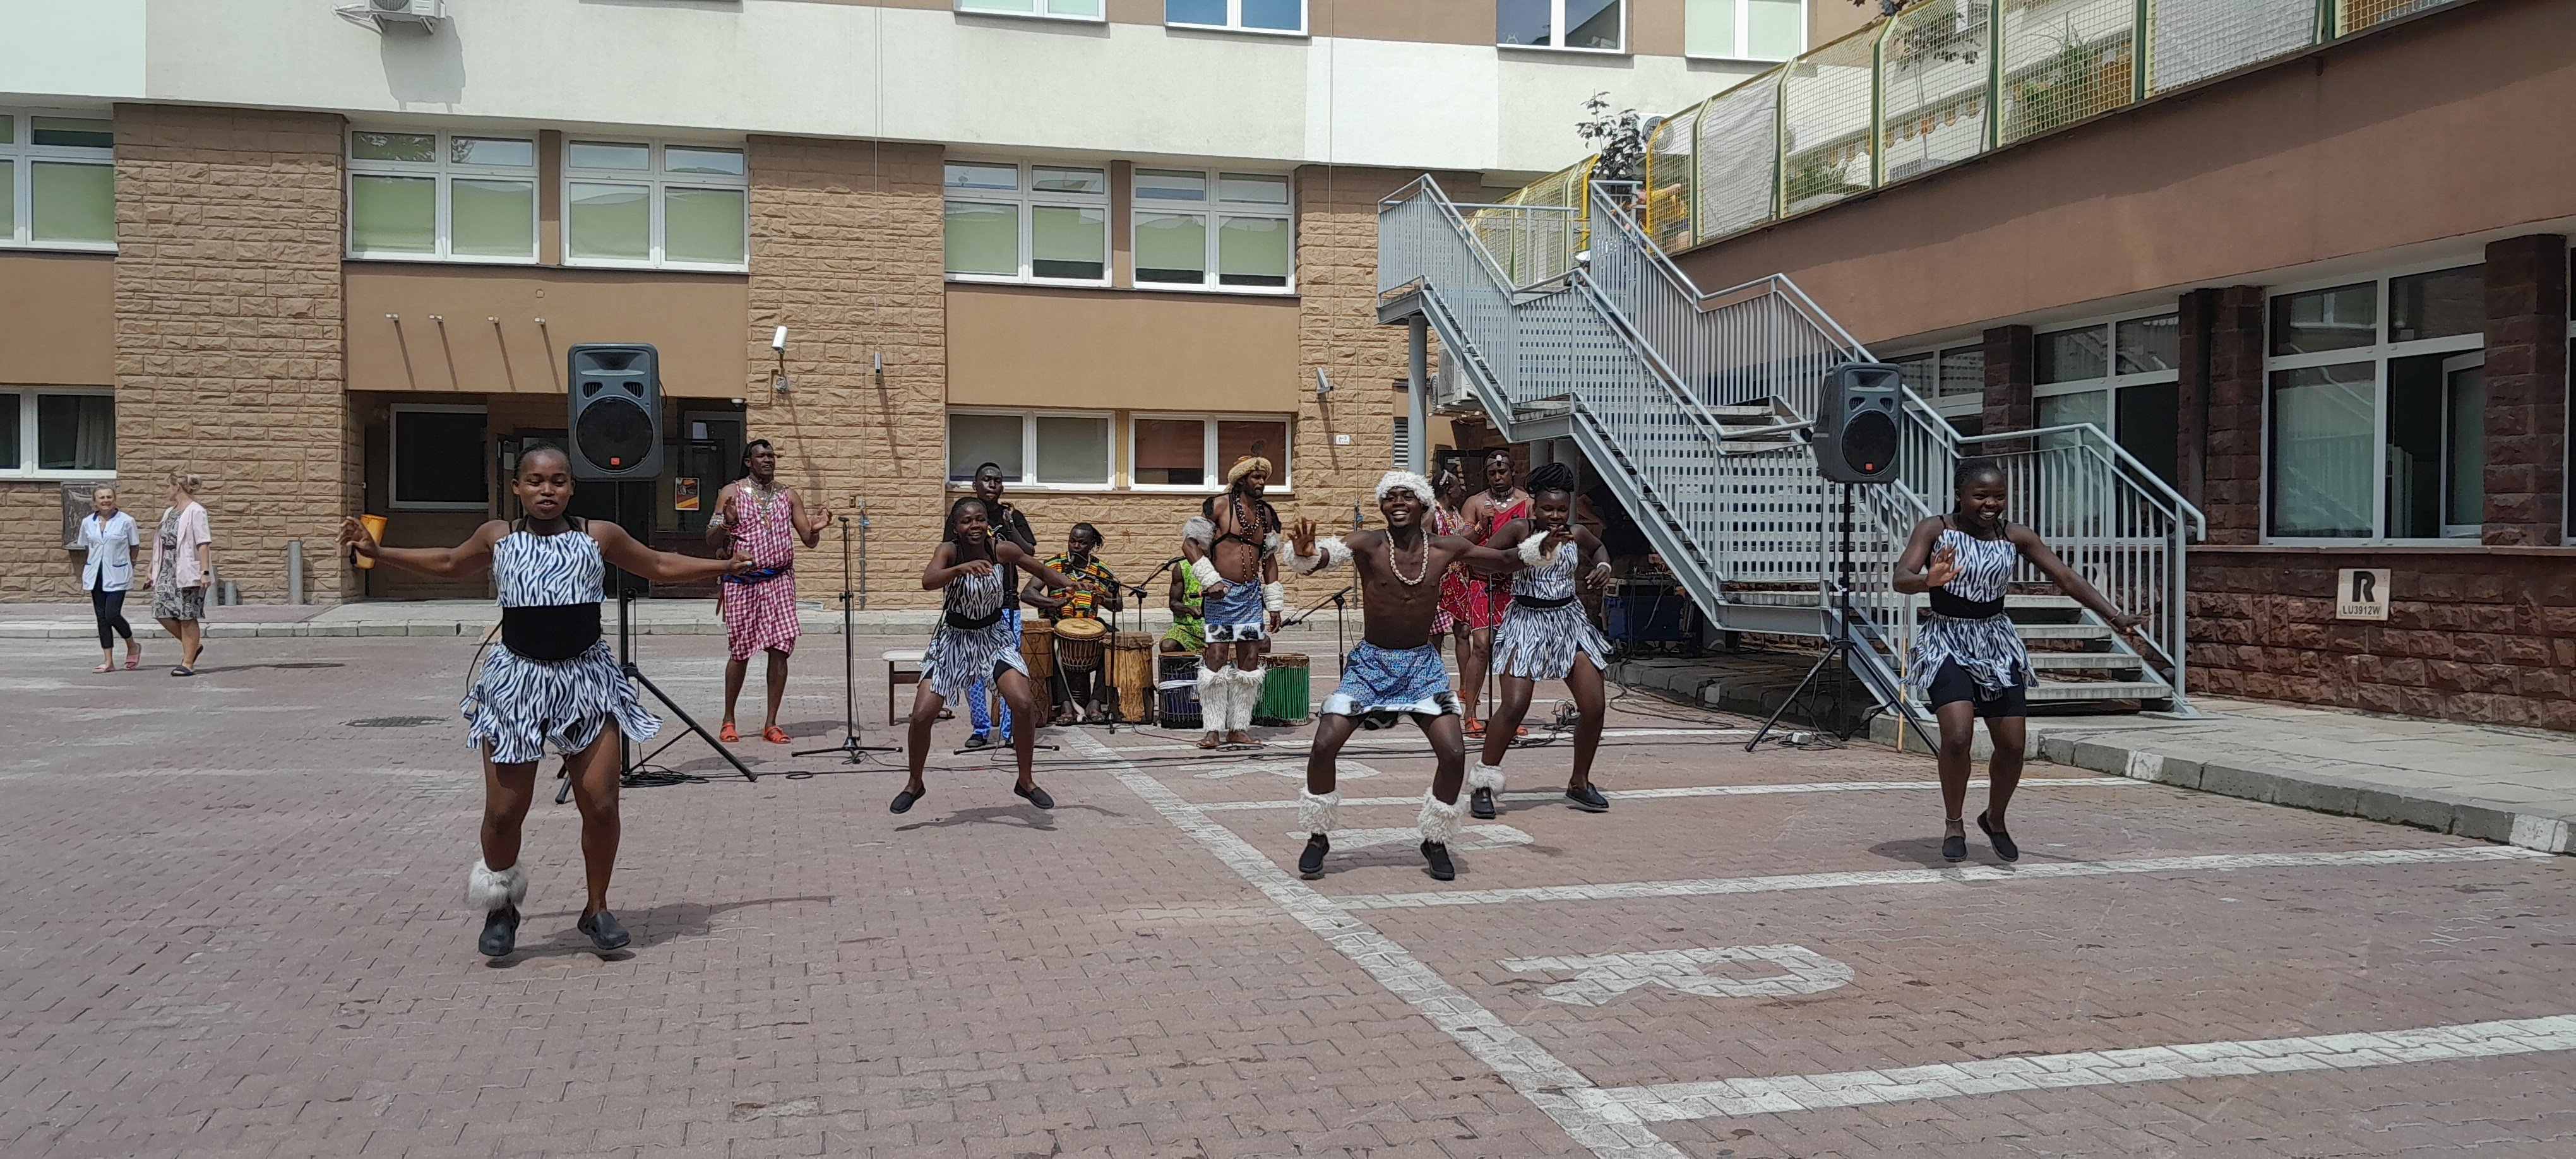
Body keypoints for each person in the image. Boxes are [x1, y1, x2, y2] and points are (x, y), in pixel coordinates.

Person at [340, 445, 751, 957]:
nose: (547, 490)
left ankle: (596, 909)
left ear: (572, 487)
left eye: (558, 481)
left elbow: (659, 564)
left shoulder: (598, 535)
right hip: (518, 683)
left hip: (587, 681)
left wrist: (725, 566)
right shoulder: (498, 536)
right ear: (517, 487)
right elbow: (449, 562)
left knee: (601, 804)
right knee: (503, 814)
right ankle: (501, 906)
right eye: (535, 481)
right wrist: (380, 554)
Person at [1893, 458, 2145, 864]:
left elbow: (2066, 577)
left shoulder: (2016, 535)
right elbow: (1900, 577)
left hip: (1995, 643)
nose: (1991, 504)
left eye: (1999, 496)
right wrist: (1927, 580)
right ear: (1959, 495)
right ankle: (1954, 823)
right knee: (1957, 737)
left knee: (2012, 746)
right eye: (1980, 496)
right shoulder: (1935, 529)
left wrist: (2115, 616)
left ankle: (1994, 818)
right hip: (1946, 640)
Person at [1280, 472, 1526, 882]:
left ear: (1423, 504)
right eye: (1390, 497)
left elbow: (1502, 560)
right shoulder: (1370, 543)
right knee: (1323, 745)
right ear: (1381, 506)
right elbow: (1327, 554)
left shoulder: (1446, 547)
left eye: (1407, 496)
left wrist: (1541, 548)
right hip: (1371, 667)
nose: (1398, 503)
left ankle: (1435, 839)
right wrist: (1307, 555)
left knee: (1453, 754)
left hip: (1422, 668)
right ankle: (1318, 836)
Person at [894, 496, 1075, 815]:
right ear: (956, 526)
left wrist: (1071, 583)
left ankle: (1025, 781)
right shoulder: (948, 551)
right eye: (966, 521)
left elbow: (1040, 569)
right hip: (954, 640)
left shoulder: (1001, 550)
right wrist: (960, 568)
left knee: (1023, 703)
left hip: (994, 637)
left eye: (980, 519)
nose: (975, 525)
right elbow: (928, 581)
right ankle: (915, 783)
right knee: (922, 715)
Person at [1470, 463, 1616, 818]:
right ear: (1534, 507)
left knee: (1595, 706)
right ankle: (1483, 783)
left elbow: (1599, 548)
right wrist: (1535, 550)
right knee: (1514, 706)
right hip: (1527, 620)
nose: (1555, 516)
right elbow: (1485, 562)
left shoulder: (1576, 533)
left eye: (1562, 509)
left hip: (1569, 621)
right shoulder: (1519, 529)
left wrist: (1603, 568)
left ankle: (1579, 782)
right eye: (1548, 509)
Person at [706, 439, 830, 745]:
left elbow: (808, 540)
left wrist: (815, 529)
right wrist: (726, 525)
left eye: (771, 456)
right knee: (741, 652)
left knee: (780, 649)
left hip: (780, 582)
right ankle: (728, 720)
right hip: (743, 584)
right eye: (761, 456)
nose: (768, 460)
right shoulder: (731, 492)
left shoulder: (788, 495)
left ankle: (771, 723)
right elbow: (710, 540)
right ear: (748, 462)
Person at [1179, 453, 1283, 749]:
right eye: (1256, 477)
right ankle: (1212, 729)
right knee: (1216, 658)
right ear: (1241, 479)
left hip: (1250, 598)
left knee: (1250, 661)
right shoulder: (1220, 506)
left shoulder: (1266, 514)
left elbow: (1269, 560)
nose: (1262, 482)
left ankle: (1238, 728)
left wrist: (1275, 604)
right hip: (1222, 597)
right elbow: (1190, 544)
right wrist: (1210, 580)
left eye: (1264, 478)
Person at [962, 462, 1039, 749]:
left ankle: (1009, 731)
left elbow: (1029, 551)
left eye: (997, 480)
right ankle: (980, 728)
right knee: (973, 670)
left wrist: (1010, 527)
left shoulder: (1012, 515)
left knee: (1009, 667)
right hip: (971, 605)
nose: (992, 485)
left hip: (1006, 603)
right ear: (976, 486)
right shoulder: (964, 514)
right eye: (986, 480)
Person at [1455, 449, 1529, 735]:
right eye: (1492, 473)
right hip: (1481, 581)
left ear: (1513, 472)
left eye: (1502, 472)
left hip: (1513, 584)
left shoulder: (1527, 503)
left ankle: (1510, 716)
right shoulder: (1475, 503)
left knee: (1511, 648)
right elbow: (1462, 542)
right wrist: (1480, 525)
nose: (1497, 477)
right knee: (1482, 645)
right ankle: (1470, 714)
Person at [1025, 522, 1122, 723]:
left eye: (1082, 543)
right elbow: (1027, 593)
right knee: (1050, 644)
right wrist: (1054, 603)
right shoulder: (1053, 565)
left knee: (1113, 641)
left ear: (1092, 545)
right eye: (1072, 541)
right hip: (1058, 623)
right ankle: (1065, 705)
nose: (1076, 546)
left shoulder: (1100, 570)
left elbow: (1118, 604)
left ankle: (1096, 702)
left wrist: (1102, 600)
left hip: (1089, 626)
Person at [145, 471, 213, 677]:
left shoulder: (196, 511)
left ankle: (188, 662)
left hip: (187, 569)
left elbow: (203, 543)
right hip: (166, 569)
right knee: (161, 611)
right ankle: (193, 646)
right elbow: (161, 543)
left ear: (177, 487)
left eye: (169, 486)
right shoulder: (169, 512)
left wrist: (205, 572)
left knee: (187, 614)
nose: (166, 491)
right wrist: (151, 568)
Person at [76, 485, 142, 673]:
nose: (106, 500)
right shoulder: (87, 522)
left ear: (114, 499)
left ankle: (132, 645)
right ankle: (108, 661)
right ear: (95, 502)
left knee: (112, 614)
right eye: (102, 498)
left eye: (109, 497)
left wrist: (131, 564)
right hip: (96, 574)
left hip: (118, 573)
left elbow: (134, 546)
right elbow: (87, 547)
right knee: (102, 619)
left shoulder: (126, 521)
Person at [1428, 468, 1470, 658]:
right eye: (1458, 487)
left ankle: (1465, 678)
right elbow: (1427, 549)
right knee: (1435, 635)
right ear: (1449, 490)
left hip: (1460, 580)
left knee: (1463, 632)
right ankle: (1434, 676)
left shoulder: (1455, 512)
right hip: (1441, 579)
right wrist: (1433, 582)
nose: (1461, 490)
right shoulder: (1432, 514)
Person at [1160, 550, 1205, 655]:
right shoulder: (1182, 566)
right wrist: (1189, 609)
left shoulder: (1224, 565)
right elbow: (1173, 603)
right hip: (1189, 629)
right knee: (1167, 645)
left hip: (1219, 627)